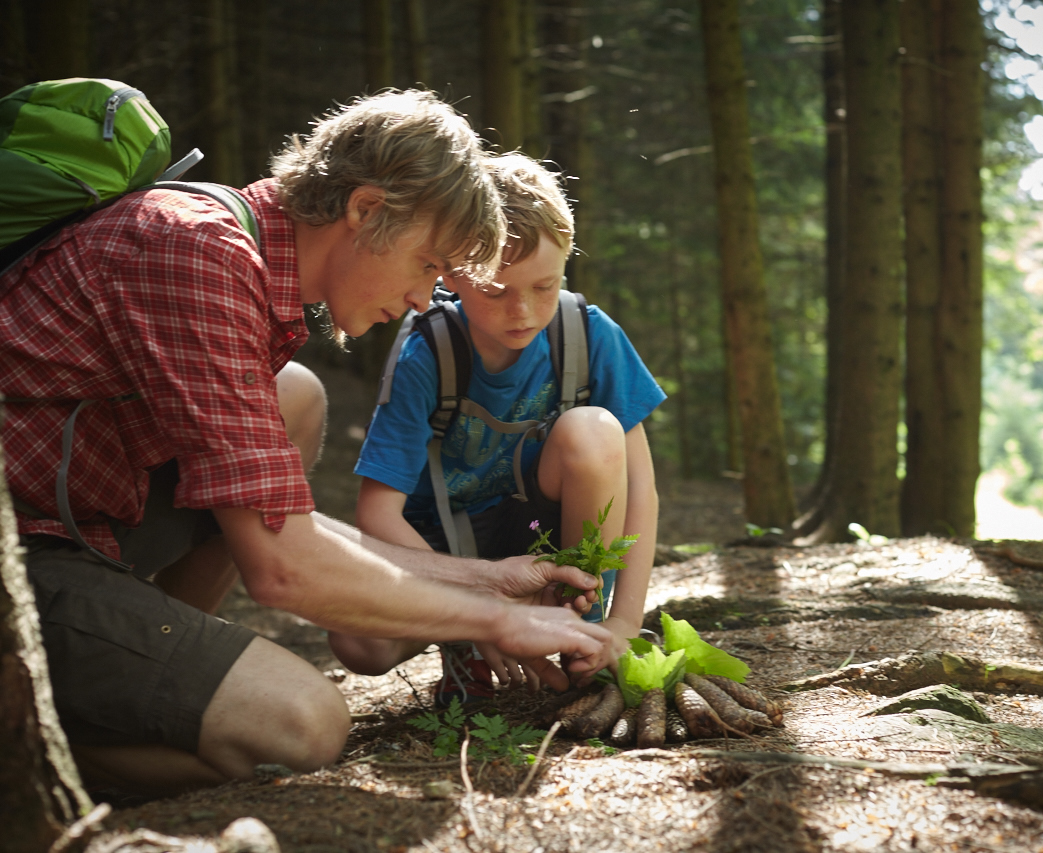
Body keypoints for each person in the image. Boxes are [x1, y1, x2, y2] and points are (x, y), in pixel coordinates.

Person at [0, 90, 615, 796]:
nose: (424, 300)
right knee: (304, 725)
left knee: (295, 395)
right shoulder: (197, 251)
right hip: (19, 557)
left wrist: (487, 578)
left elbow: (267, 512)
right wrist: (499, 622)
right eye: (425, 264)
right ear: (364, 208)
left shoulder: (236, 254)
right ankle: (30, 747)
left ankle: (148, 679)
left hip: (66, 522)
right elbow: (284, 566)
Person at [339, 152, 665, 705]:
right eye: (495, 290)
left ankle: (581, 634)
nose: (523, 311)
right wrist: (475, 610)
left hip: (540, 536)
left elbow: (641, 491)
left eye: (544, 286)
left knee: (594, 432)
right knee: (358, 643)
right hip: (441, 543)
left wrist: (626, 624)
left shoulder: (589, 336)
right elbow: (377, 514)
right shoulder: (428, 352)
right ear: (450, 274)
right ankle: (467, 647)